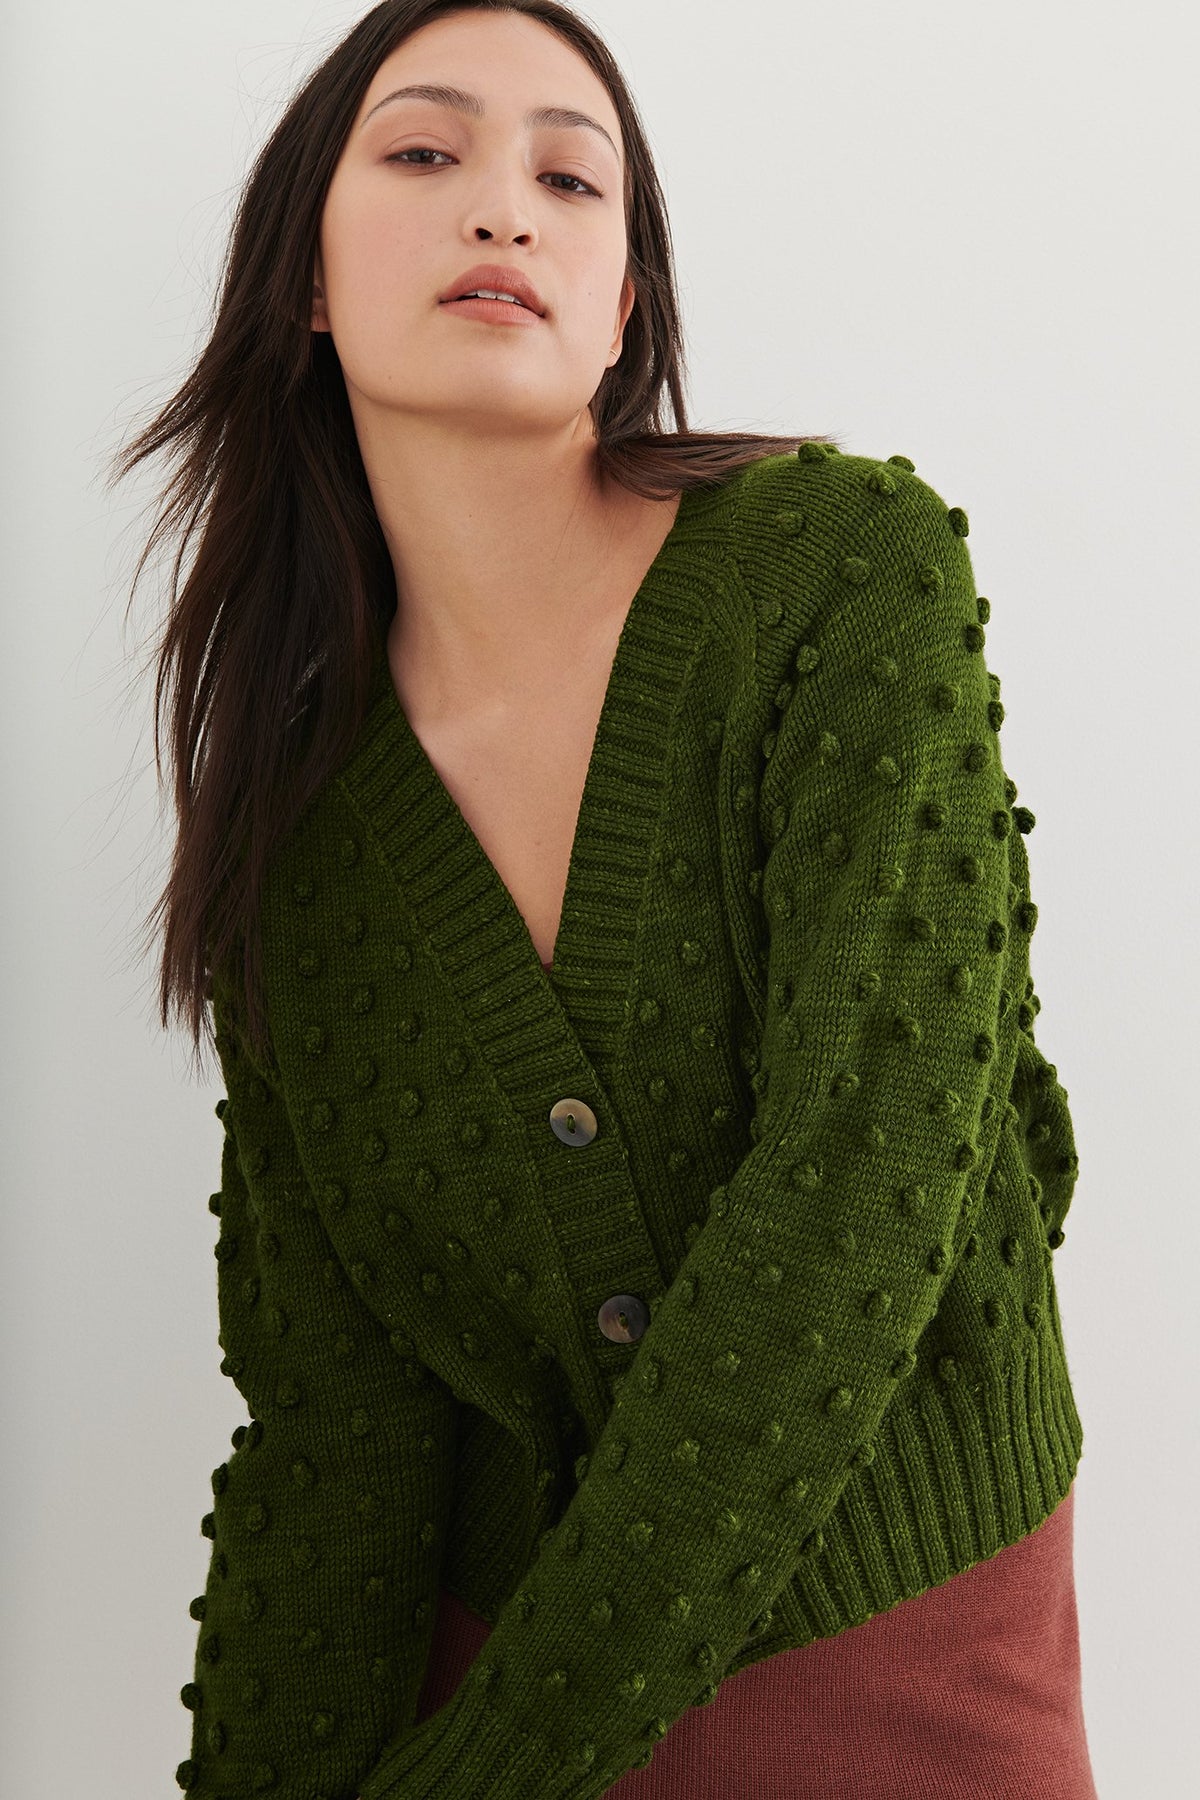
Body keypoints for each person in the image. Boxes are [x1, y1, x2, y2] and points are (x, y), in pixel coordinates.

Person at [110, 4, 1098, 1795]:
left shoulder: (841, 573)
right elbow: (335, 1440)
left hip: (900, 1649)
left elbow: (864, 1191)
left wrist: (496, 1770)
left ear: (624, 304)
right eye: (426, 152)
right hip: (490, 1671)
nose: (506, 206)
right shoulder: (301, 839)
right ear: (305, 278)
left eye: (572, 181)